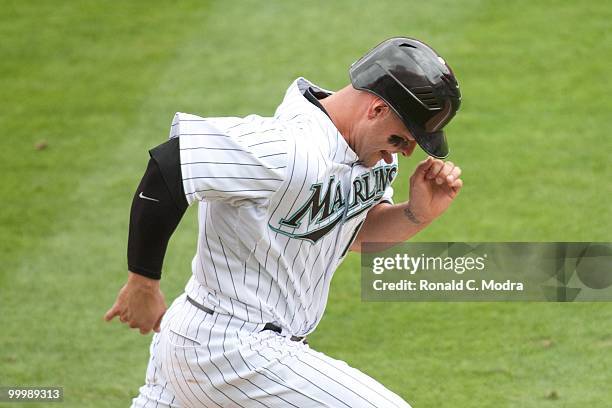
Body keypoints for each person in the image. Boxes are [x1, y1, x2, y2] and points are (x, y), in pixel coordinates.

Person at [105, 37, 462, 408]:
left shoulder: (372, 158)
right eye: (401, 138)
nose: (405, 151)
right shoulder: (290, 148)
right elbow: (171, 165)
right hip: (229, 348)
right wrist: (142, 283)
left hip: (208, 341)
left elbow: (354, 235)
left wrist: (415, 214)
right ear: (375, 109)